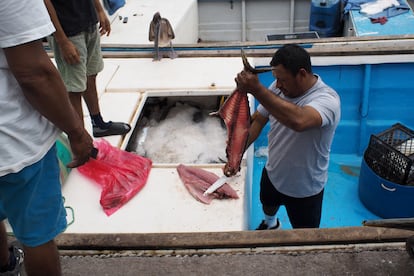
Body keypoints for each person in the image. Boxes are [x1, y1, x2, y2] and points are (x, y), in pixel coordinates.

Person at [0, 0, 95, 275]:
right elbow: (35, 75)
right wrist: (76, 132)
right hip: (16, 142)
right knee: (37, 236)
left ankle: (6, 266)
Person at [235, 44, 341, 230]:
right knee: (268, 204)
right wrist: (236, 154)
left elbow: (300, 121)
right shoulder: (278, 89)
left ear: (301, 74)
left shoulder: (327, 100)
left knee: (305, 234)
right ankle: (270, 223)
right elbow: (258, 120)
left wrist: (257, 90)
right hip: (274, 172)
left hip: (305, 187)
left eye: (282, 80)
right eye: (276, 79)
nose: (277, 85)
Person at [44, 0, 131, 138]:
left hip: (89, 22)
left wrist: (100, 11)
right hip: (68, 31)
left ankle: (98, 124)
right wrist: (62, 40)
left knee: (91, 74)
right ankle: (81, 139)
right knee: (74, 88)